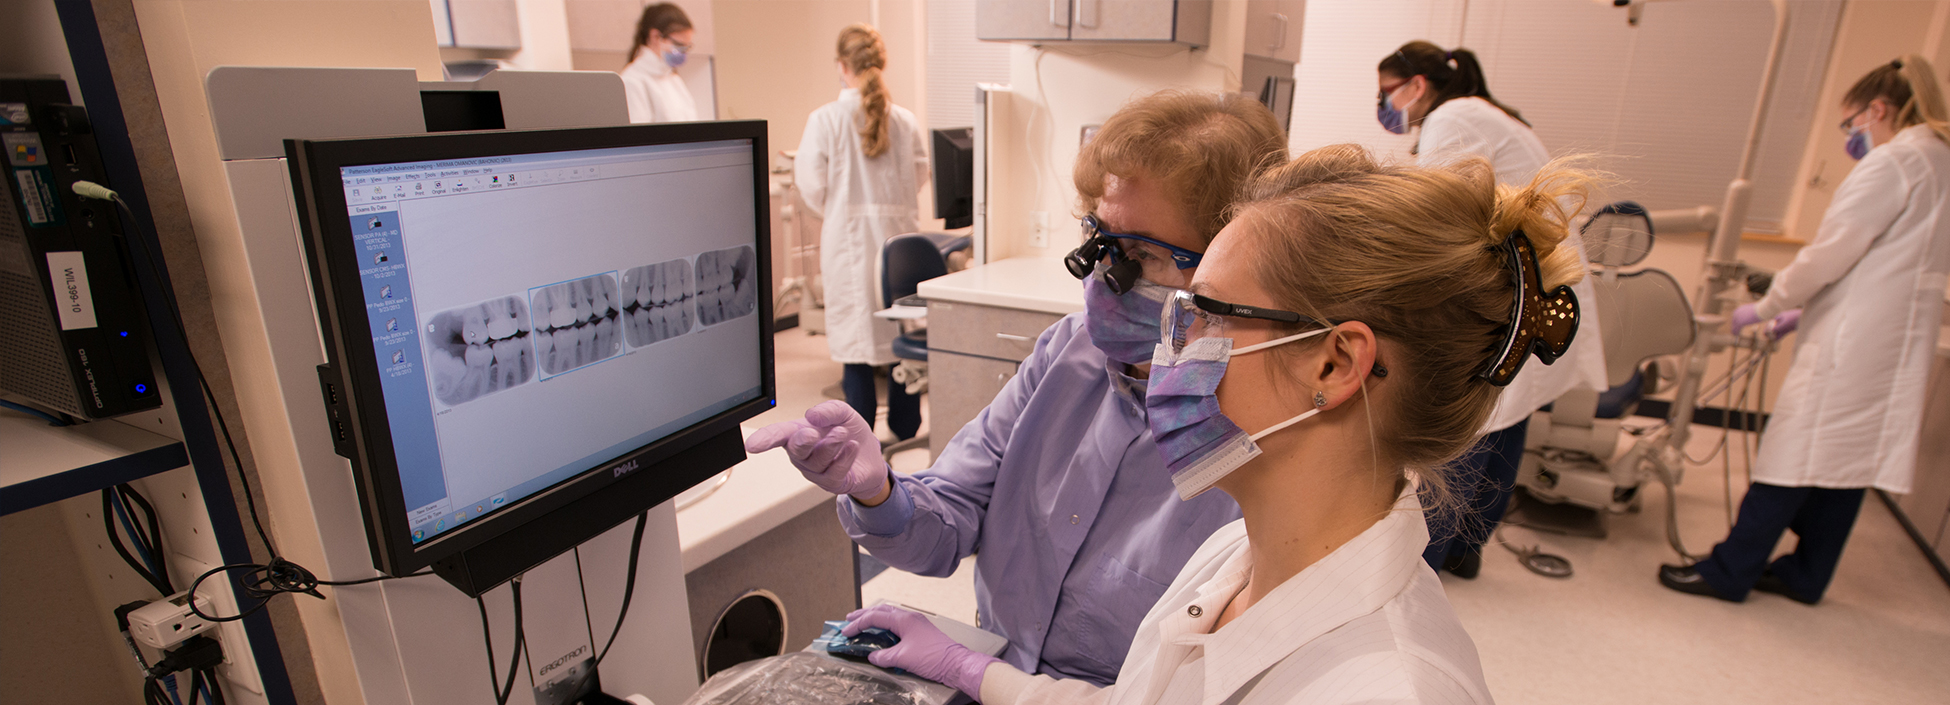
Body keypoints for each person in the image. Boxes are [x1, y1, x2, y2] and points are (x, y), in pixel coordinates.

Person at [842, 146, 1592, 705]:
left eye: (1207, 314)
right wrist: (978, 671)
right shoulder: (1233, 552)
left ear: (1334, 365)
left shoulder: (1387, 687)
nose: (1169, 348)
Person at [748, 91, 1287, 685]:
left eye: (1141, 255)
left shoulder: (1264, 430)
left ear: (1227, 264)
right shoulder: (1068, 352)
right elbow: (944, 528)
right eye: (1100, 240)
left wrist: (981, 676)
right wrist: (878, 492)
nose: (1106, 278)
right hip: (989, 670)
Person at [1660, 56, 1950, 605]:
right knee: (1846, 462)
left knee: (1791, 453)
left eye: (1851, 124)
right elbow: (1884, 263)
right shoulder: (1940, 161)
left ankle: (1729, 571)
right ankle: (1806, 576)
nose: (1853, 137)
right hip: (1891, 340)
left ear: (1878, 110)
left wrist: (1768, 305)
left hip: (1855, 340)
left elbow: (1827, 256)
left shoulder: (1894, 163)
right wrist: (1800, 313)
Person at [1378, 40, 1609, 577]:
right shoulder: (1484, 112)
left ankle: (1422, 567)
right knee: (1507, 417)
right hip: (1534, 283)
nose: (1385, 104)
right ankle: (1464, 553)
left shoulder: (1454, 116)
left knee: (1471, 425)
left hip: (1515, 288)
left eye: (1389, 91)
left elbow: (1433, 212)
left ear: (1418, 86)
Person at [792, 23, 930, 440]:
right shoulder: (904, 120)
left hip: (849, 246)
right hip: (898, 248)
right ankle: (906, 431)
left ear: (841, 66)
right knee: (899, 340)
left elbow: (812, 187)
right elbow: (919, 175)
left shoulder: (826, 119)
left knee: (856, 349)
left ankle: (860, 444)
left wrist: (841, 210)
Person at [620, 3, 699, 123]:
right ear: (655, 36)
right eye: (679, 45)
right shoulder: (632, 81)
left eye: (687, 47)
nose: (683, 53)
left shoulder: (673, 79)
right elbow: (638, 137)